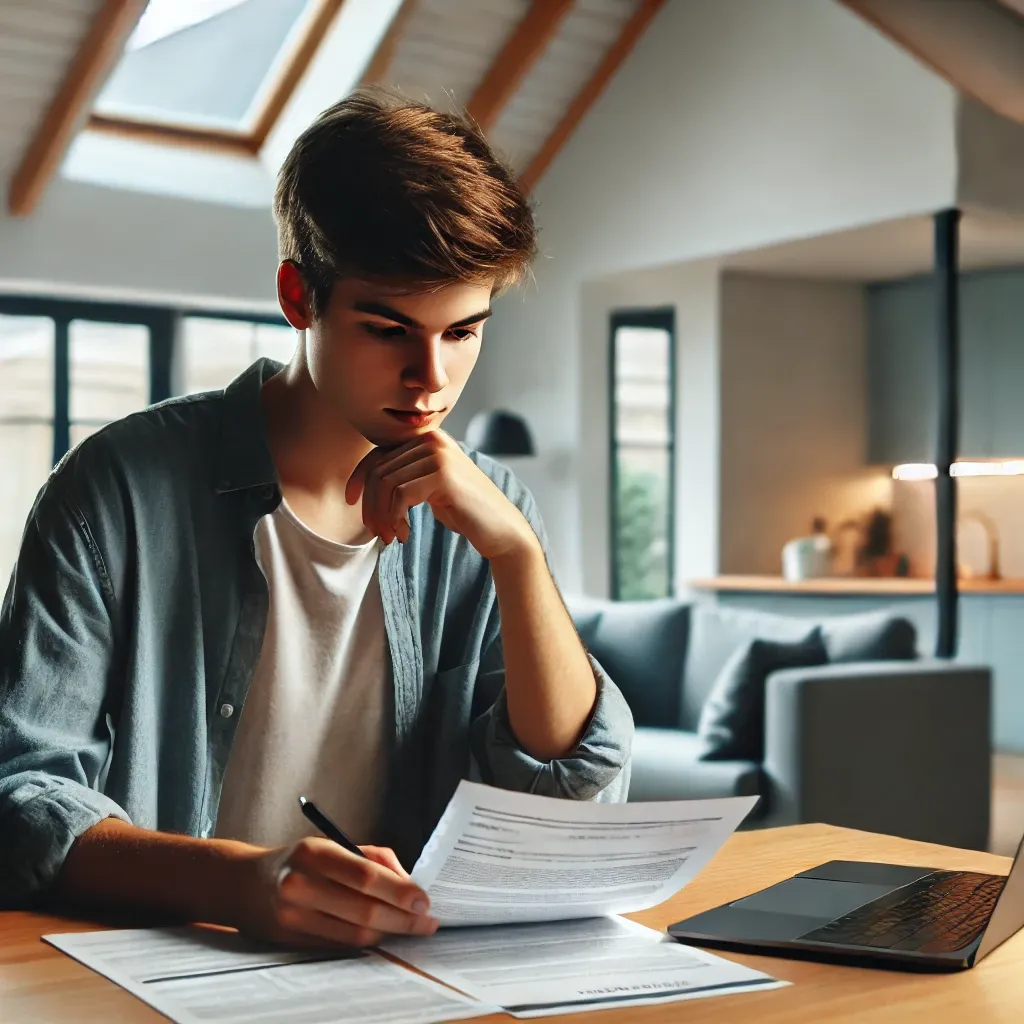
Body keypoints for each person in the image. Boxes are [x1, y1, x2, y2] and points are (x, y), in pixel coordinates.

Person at [0, 90, 633, 948]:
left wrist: (517, 555)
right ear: (300, 297)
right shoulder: (114, 491)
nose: (431, 379)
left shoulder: (490, 510)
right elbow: (21, 799)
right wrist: (243, 880)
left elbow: (565, 796)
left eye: (464, 333)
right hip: (158, 970)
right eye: (388, 329)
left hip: (407, 978)